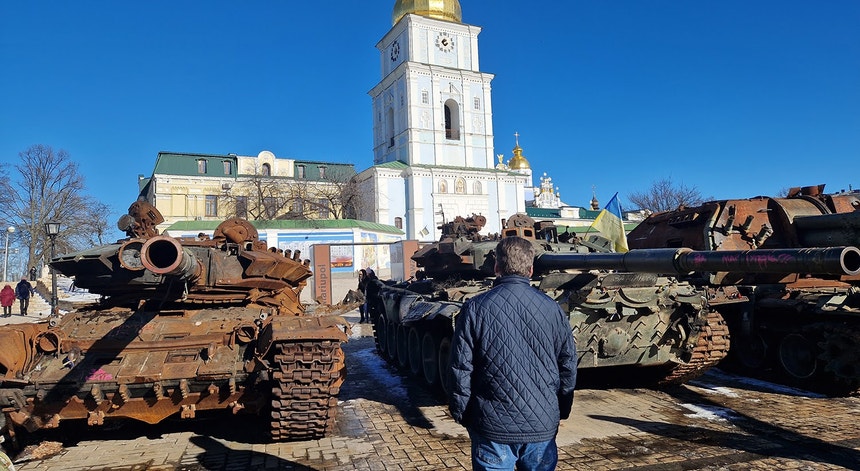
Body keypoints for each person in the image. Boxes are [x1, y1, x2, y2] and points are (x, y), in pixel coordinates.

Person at [448, 236, 577, 471]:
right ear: (530, 269)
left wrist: (462, 412)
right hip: (542, 424)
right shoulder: (552, 309)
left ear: (497, 267)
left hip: (491, 427)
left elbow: (460, 367)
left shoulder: (475, 308)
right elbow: (567, 364)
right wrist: (562, 407)